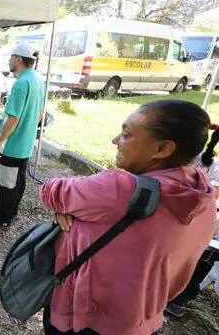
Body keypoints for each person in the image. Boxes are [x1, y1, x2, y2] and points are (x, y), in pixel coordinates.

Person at [40, 100, 216, 335]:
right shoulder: (203, 195)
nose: (115, 140)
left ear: (162, 149)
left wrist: (66, 206)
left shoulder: (120, 188)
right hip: (143, 322)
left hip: (83, 320)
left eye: (126, 134)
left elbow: (50, 190)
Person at [0, 43, 44, 229]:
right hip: (26, 142)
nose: (9, 60)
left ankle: (4, 217)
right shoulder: (38, 80)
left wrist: (0, 143)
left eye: (11, 57)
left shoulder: (21, 83)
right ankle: (12, 213)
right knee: (18, 180)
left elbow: (13, 118)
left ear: (18, 59)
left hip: (14, 143)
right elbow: (40, 113)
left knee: (7, 180)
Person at [164, 125, 219, 318]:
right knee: (202, 254)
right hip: (194, 217)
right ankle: (176, 297)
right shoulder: (207, 163)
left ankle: (175, 297)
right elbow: (213, 196)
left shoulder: (188, 156)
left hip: (178, 214)